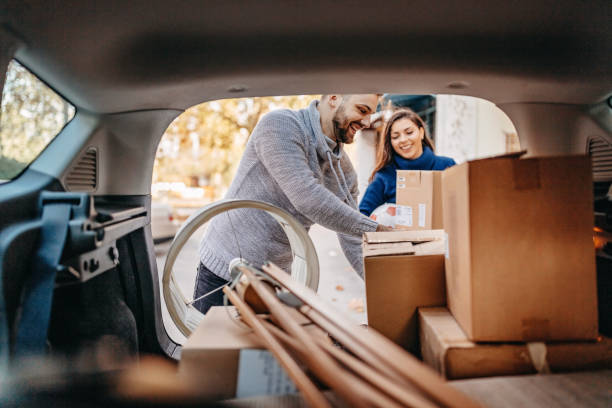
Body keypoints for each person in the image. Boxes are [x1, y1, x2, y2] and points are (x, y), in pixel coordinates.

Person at [194, 95, 390, 314]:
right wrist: (378, 230)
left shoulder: (344, 171)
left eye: (371, 113)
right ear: (334, 97)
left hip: (273, 279)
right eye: (362, 110)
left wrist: (387, 289)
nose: (367, 122)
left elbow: (353, 238)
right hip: (225, 268)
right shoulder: (280, 126)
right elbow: (307, 197)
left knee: (259, 349)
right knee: (211, 346)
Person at [359, 108, 455, 216]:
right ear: (390, 142)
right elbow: (362, 216)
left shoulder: (447, 166)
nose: (403, 140)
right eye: (395, 137)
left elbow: (463, 204)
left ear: (421, 132)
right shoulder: (384, 176)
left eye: (409, 132)